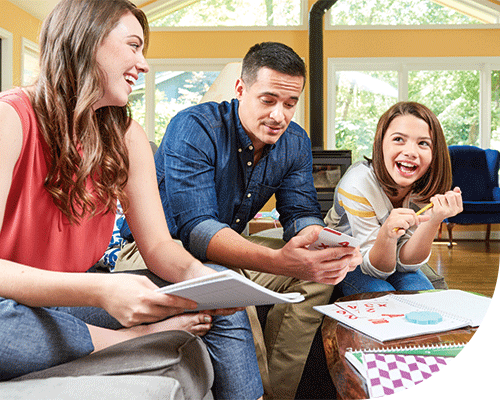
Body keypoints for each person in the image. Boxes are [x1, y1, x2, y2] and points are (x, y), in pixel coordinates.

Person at [0, 1, 264, 399]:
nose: (143, 64)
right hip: (11, 306)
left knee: (218, 290)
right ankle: (124, 339)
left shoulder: (126, 136)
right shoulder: (10, 120)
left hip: (66, 307)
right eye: (134, 46)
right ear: (86, 41)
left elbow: (157, 246)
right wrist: (101, 292)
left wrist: (202, 279)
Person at [117, 41, 362, 399]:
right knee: (229, 282)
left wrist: (320, 245)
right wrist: (281, 260)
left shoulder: (294, 141)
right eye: (268, 100)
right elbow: (197, 229)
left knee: (320, 280)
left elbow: (300, 212)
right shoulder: (194, 127)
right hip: (154, 249)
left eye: (290, 104)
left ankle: (278, 391)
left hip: (220, 247)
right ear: (241, 90)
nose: (279, 115)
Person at [324, 101, 463, 296]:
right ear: (380, 144)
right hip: (348, 259)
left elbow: (406, 264)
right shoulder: (357, 183)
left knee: (423, 295)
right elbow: (375, 269)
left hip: (391, 259)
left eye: (423, 143)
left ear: (434, 153)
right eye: (399, 139)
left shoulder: (425, 185)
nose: (411, 152)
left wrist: (434, 220)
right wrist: (387, 235)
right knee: (381, 293)